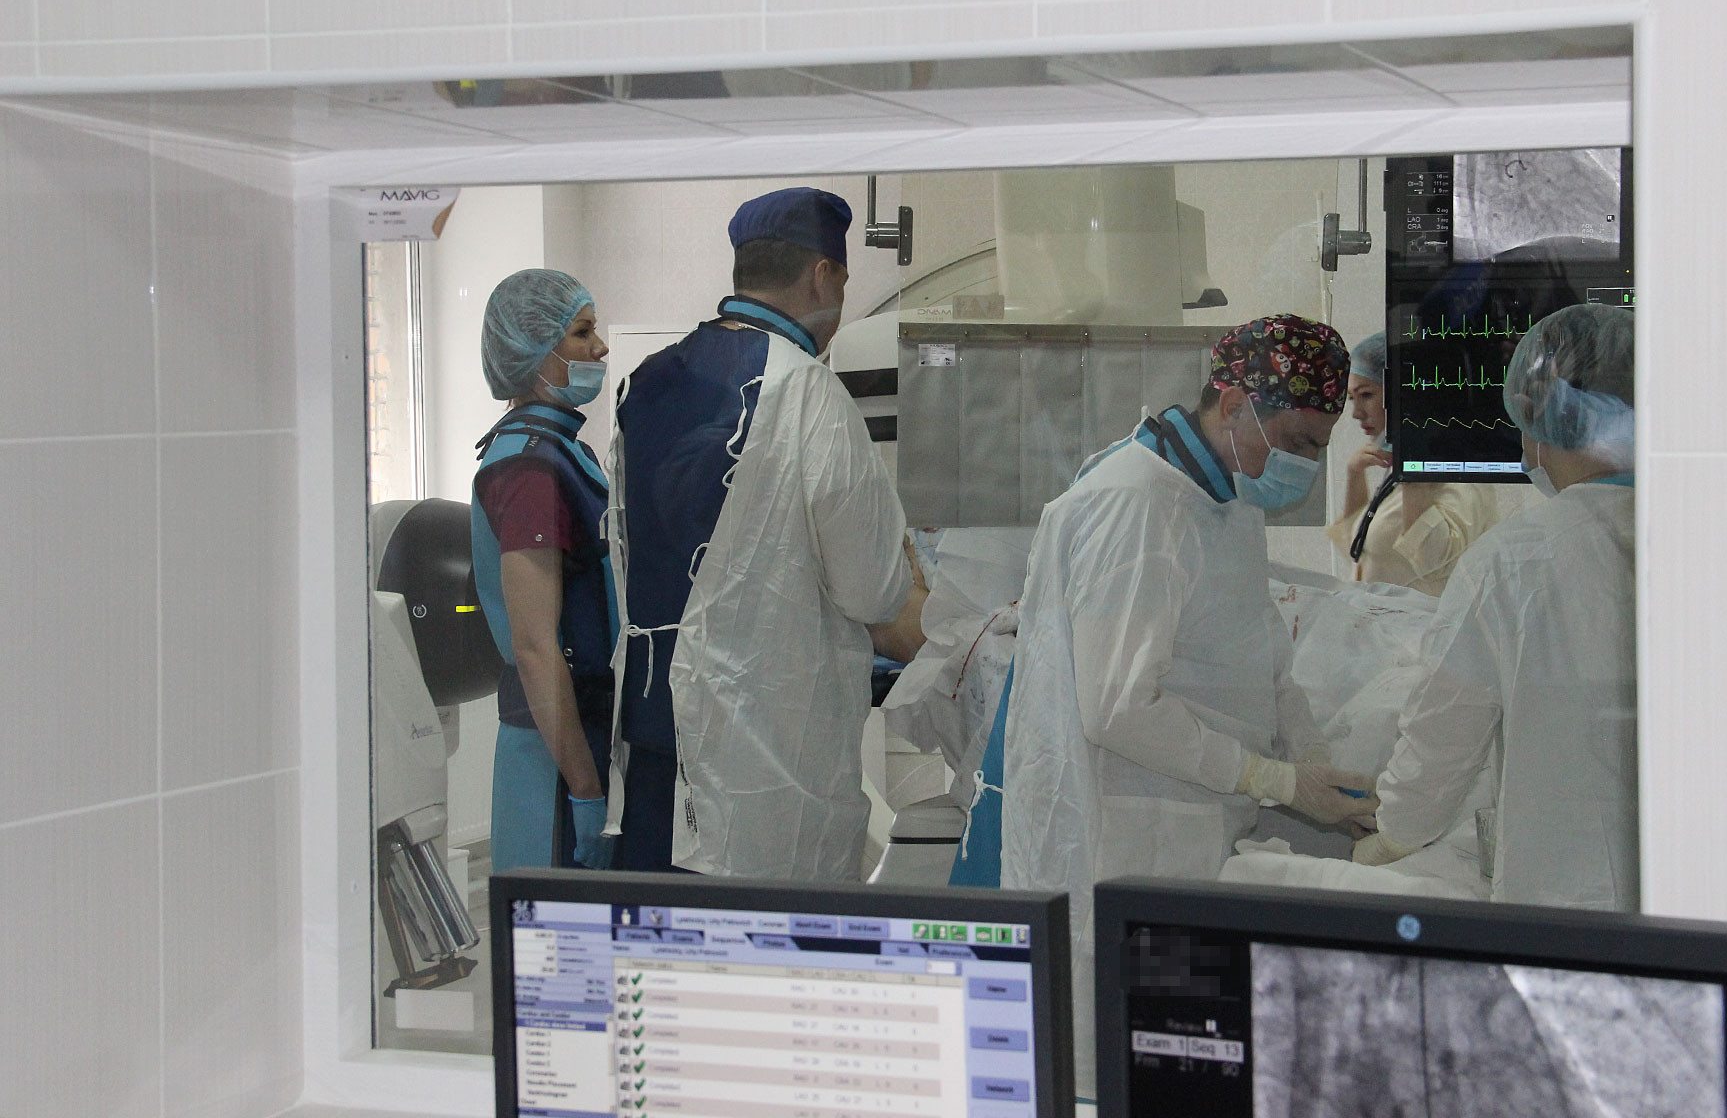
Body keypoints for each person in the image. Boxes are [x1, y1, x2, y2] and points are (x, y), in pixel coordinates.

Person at [1002, 314, 1379, 1095]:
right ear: (1235, 403)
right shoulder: (1136, 505)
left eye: (1319, 447)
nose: (1306, 465)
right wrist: (1272, 781)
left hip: (1192, 839)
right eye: (1298, 442)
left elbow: (1262, 656)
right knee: (1119, 1075)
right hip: (1123, 844)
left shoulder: (1225, 501)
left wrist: (1313, 762)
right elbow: (1117, 706)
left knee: (1188, 1071)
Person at [613, 186, 927, 881]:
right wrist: (906, 558)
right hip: (763, 754)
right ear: (822, 274)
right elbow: (874, 591)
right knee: (765, 936)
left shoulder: (644, 385)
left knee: (662, 929)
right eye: (842, 282)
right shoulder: (807, 391)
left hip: (655, 727)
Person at [1355, 304, 1637, 912]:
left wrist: (1393, 834)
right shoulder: (1722, 542)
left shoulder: (1514, 563)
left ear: (1534, 413)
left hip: (1567, 898)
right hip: (1710, 896)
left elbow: (1441, 738)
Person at [469, 269, 618, 872]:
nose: (600, 348)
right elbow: (534, 648)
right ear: (533, 352)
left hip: (582, 731)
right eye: (582, 333)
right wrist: (584, 791)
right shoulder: (528, 470)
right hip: (553, 758)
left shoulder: (564, 451)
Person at [1328, 332, 1501, 595]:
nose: (1356, 413)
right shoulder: (1399, 470)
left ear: (1404, 394)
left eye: (1366, 395)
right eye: (1352, 398)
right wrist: (1354, 474)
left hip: (1429, 622)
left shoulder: (1459, 470)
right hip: (1383, 618)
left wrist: (1415, 479)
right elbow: (1358, 548)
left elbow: (1436, 560)